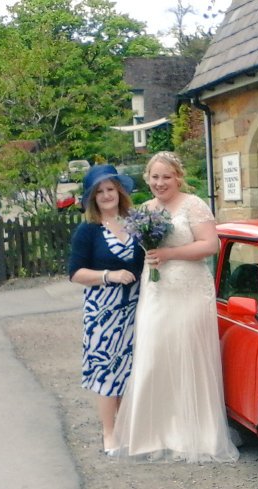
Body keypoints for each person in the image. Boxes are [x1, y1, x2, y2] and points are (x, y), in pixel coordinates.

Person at [112, 152, 239, 463]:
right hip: (156, 289)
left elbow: (211, 245)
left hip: (190, 289)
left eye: (166, 177)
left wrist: (170, 254)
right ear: (147, 178)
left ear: (178, 177)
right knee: (154, 353)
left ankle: (196, 435)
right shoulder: (144, 210)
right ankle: (151, 435)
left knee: (188, 353)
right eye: (155, 177)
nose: (160, 183)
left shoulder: (193, 204)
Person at [67, 164, 144, 453]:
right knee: (107, 372)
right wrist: (108, 276)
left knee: (130, 370)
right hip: (104, 311)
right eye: (100, 191)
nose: (106, 195)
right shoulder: (88, 230)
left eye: (110, 189)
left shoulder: (136, 222)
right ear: (92, 198)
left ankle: (126, 429)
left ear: (119, 191)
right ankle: (109, 433)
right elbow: (75, 273)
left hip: (135, 307)